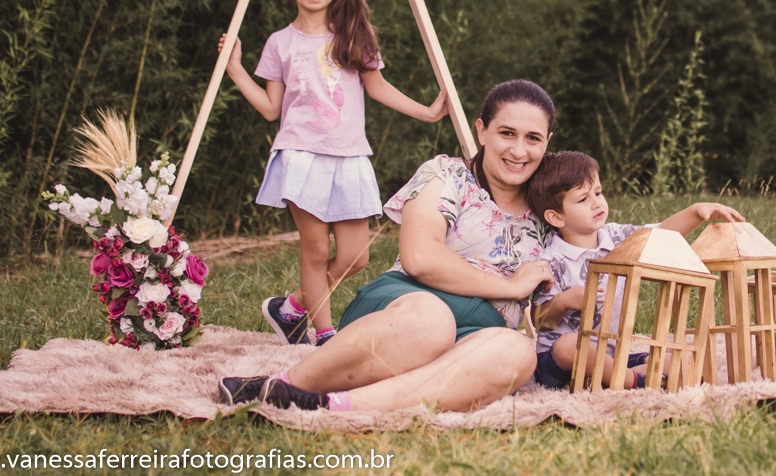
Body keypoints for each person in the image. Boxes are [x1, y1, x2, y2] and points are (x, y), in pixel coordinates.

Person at [218, 79, 558, 412]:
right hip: (407, 308)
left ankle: (335, 405)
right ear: (482, 131)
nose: (519, 151)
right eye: (507, 133)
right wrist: (510, 287)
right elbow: (420, 258)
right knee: (432, 321)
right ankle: (282, 383)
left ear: (548, 142)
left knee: (517, 352)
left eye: (533, 138)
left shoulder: (551, 208)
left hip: (477, 332)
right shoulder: (446, 174)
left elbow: (580, 265)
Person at [219, 0, 448, 348]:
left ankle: (291, 308)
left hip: (349, 156)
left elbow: (378, 87)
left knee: (355, 257)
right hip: (301, 155)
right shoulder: (280, 43)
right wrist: (234, 69)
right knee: (313, 250)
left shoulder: (354, 35)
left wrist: (427, 112)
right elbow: (271, 108)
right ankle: (324, 334)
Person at [527, 150, 744, 390]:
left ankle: (614, 376)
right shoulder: (550, 260)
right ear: (556, 217)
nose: (597, 203)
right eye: (582, 199)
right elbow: (540, 321)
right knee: (569, 345)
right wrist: (563, 301)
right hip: (557, 363)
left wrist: (695, 212)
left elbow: (659, 235)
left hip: (609, 357)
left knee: (675, 360)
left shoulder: (616, 237)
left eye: (598, 192)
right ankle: (630, 381)